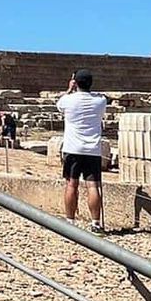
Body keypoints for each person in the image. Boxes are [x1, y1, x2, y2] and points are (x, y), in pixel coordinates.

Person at [57, 69, 108, 232]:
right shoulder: (100, 101)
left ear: (75, 82)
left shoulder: (68, 100)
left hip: (72, 148)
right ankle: (95, 223)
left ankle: (70, 222)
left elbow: (60, 105)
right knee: (93, 186)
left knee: (72, 185)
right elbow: (101, 98)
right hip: (92, 149)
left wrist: (69, 89)